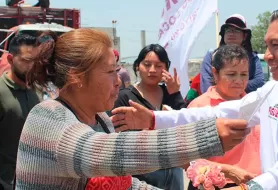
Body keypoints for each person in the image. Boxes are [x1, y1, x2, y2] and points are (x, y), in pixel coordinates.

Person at [111, 7, 278, 190]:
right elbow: (218, 113)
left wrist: (250, 188)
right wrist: (154, 119)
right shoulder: (275, 90)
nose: (267, 56)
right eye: (267, 46)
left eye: (276, 45)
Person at [15, 28, 249, 190]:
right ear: (77, 77)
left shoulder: (102, 120)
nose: (118, 81)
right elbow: (110, 152)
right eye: (110, 72)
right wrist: (206, 135)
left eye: (118, 71)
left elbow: (124, 183)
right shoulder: (46, 118)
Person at [187, 44, 260, 189]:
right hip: (212, 185)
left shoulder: (256, 104)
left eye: (244, 74)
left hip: (251, 183)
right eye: (231, 74)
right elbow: (187, 160)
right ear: (215, 73)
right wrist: (228, 171)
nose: (239, 80)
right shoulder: (199, 107)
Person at [114, 44, 186, 189]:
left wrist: (175, 94)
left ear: (166, 68)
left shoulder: (170, 93)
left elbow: (185, 125)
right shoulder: (125, 97)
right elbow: (116, 135)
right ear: (137, 67)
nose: (152, 70)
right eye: (147, 65)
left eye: (158, 65)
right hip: (141, 174)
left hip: (173, 173)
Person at [0, 33, 41, 190]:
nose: (32, 66)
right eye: (26, 61)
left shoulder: (35, 91)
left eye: (35, 61)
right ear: (10, 59)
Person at [200, 14, 264, 95]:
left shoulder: (252, 57)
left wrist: (231, 88)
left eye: (236, 30)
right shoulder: (211, 56)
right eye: (228, 30)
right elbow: (206, 84)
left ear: (245, 36)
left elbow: (259, 82)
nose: (231, 33)